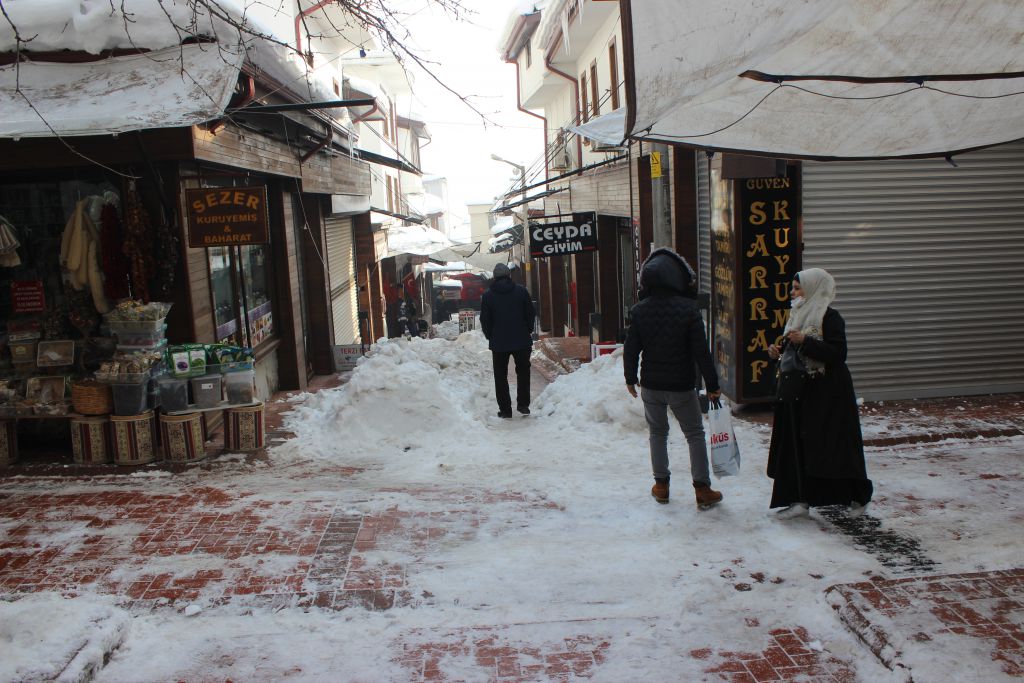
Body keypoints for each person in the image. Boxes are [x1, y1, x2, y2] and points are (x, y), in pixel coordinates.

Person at [766, 268, 872, 519]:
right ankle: (799, 499)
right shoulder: (796, 316)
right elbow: (791, 354)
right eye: (793, 288)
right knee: (797, 445)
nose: (793, 293)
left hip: (830, 393)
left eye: (797, 288)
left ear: (814, 289)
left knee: (835, 445)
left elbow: (838, 354)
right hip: (801, 392)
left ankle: (856, 496)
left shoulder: (830, 317)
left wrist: (806, 341)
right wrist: (776, 353)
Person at [623, 248, 723, 508]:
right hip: (681, 385)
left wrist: (630, 377)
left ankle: (661, 486)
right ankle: (702, 489)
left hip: (652, 384)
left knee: (657, 433)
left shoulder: (639, 311)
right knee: (694, 433)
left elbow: (632, 347)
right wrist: (712, 385)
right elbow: (702, 352)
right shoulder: (689, 310)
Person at [480, 262, 535, 418]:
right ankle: (523, 405)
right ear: (509, 275)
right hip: (522, 340)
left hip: (499, 342)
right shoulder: (521, 291)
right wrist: (527, 330)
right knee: (523, 372)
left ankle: (505, 410)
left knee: (500, 376)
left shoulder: (488, 295)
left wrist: (490, 335)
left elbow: (485, 320)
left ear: (494, 278)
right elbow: (530, 313)